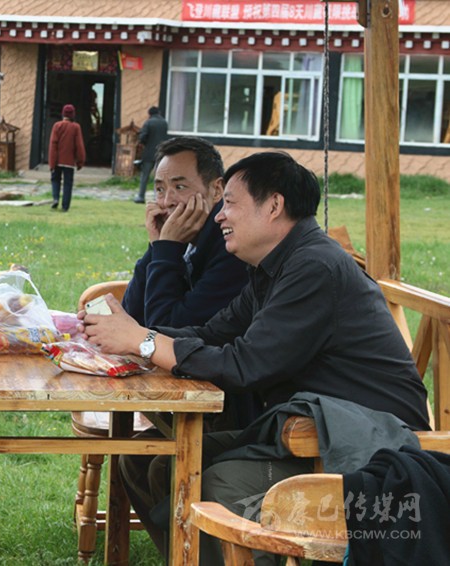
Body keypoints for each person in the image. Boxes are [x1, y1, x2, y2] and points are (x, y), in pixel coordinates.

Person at [82, 151, 431, 563]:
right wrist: (134, 336)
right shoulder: (274, 267)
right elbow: (211, 334)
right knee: (152, 464)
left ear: (274, 205)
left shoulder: (315, 266)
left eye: (229, 203)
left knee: (218, 483)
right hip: (312, 430)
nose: (219, 216)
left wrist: (144, 341)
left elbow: (245, 365)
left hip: (370, 445)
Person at [121, 136, 257, 430]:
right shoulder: (184, 238)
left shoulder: (231, 248)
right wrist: (157, 247)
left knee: (143, 451)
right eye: (160, 189)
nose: (166, 201)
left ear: (216, 190)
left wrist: (167, 249)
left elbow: (164, 332)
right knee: (135, 449)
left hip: (231, 409)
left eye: (180, 187)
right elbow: (132, 316)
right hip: (188, 393)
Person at [48, 103, 86, 212]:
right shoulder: (76, 127)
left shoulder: (57, 126)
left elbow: (53, 145)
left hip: (57, 160)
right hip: (69, 162)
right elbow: (79, 145)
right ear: (73, 115)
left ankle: (55, 198)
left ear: (63, 114)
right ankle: (65, 206)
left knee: (55, 179)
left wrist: (52, 163)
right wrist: (80, 161)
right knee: (68, 183)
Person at [134, 106, 168, 204]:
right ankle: (157, 197)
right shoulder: (164, 123)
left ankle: (141, 196)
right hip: (161, 153)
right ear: (158, 112)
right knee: (159, 177)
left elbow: (142, 137)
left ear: (150, 114)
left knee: (145, 176)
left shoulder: (148, 123)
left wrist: (144, 143)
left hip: (149, 153)